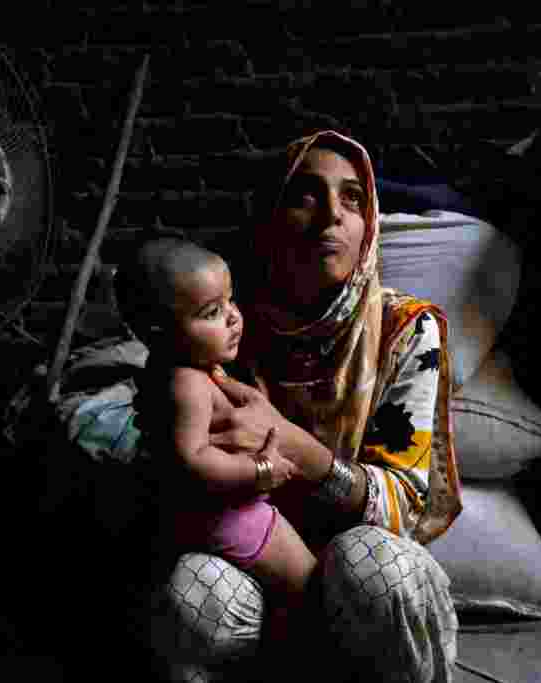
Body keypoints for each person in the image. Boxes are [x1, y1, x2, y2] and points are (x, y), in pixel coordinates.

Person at [142, 130, 465, 683]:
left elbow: (401, 505)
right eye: (306, 195)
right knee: (194, 592)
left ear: (370, 223)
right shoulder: (219, 328)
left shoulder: (405, 332)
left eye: (353, 198)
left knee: (378, 567)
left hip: (359, 564)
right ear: (272, 216)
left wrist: (291, 445)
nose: (332, 216)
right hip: (255, 557)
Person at [113, 233, 318, 620]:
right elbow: (192, 459)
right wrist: (261, 470)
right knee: (310, 588)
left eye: (230, 299)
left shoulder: (192, 367)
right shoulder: (186, 383)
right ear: (159, 331)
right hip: (231, 519)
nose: (233, 316)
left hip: (220, 515)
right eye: (211, 312)